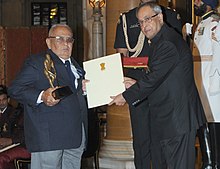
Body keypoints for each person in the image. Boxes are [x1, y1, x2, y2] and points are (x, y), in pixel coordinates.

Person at [110, 2, 207, 169]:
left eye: (148, 19)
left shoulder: (167, 42)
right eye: (140, 22)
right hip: (171, 119)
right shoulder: (160, 39)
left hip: (178, 120)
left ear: (160, 17)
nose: (144, 25)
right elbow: (160, 76)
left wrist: (125, 96)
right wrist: (135, 83)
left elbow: (153, 79)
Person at [8, 24, 88, 169]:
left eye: (69, 40)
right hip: (49, 136)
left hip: (75, 134)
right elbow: (15, 89)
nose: (65, 43)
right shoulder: (37, 63)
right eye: (59, 39)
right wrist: (42, 96)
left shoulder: (76, 66)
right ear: (48, 42)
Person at [114, 0, 182, 168]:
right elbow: (120, 57)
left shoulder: (170, 16)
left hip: (162, 87)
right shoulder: (127, 19)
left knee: (161, 138)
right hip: (137, 87)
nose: (144, 24)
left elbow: (177, 51)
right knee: (141, 138)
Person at [193, 0, 220, 168]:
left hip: (211, 82)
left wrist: (216, 83)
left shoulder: (216, 24)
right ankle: (207, 162)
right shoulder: (202, 23)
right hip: (199, 81)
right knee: (202, 122)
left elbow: (218, 55)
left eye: (199, 0)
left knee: (214, 122)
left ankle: (215, 163)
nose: (195, 2)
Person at [0, 85, 30, 169]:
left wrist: (11, 140)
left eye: (3, 99)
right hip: (7, 145)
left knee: (2, 158)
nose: (1, 102)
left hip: (22, 145)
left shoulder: (16, 113)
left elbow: (26, 133)